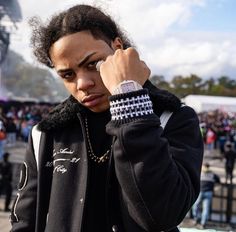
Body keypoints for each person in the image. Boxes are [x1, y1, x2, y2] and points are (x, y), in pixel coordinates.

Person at [10, 4, 203, 232]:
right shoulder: (47, 132)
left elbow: (163, 213)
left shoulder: (172, 117)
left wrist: (130, 101)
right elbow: (24, 222)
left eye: (93, 64)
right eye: (68, 75)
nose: (82, 84)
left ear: (118, 48)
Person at [192, 163, 220, 229]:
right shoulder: (212, 174)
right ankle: (202, 223)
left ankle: (197, 219)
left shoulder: (200, 173)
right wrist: (215, 189)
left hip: (201, 192)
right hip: (208, 192)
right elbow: (218, 182)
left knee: (196, 206)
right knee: (205, 209)